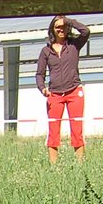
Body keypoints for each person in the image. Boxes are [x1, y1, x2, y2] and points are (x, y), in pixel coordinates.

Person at [35, 14, 89, 165]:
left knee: (77, 130)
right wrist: (42, 88)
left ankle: (81, 166)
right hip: (55, 94)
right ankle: (54, 167)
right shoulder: (46, 51)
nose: (61, 29)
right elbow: (39, 74)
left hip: (74, 91)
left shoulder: (74, 45)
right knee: (53, 131)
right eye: (57, 27)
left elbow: (85, 31)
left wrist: (69, 21)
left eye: (64, 26)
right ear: (52, 29)